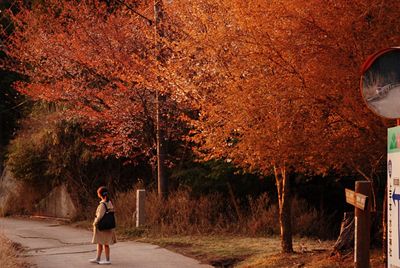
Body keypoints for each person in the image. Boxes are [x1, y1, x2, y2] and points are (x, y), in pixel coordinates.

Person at [89, 186, 117, 265]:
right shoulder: (109, 202)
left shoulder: (102, 205)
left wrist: (94, 223)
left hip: (102, 227)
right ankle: (98, 258)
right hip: (109, 226)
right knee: (100, 242)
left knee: (105, 243)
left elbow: (99, 216)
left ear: (100, 194)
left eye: (98, 193)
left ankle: (107, 260)